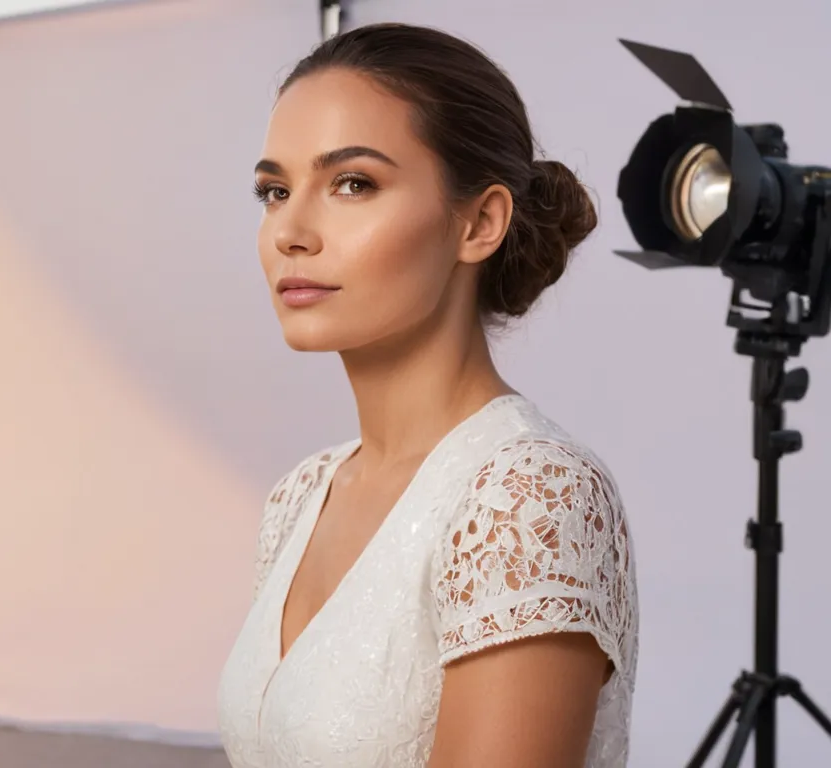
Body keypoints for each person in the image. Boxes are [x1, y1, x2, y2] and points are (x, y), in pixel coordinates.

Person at [215, 23, 638, 768]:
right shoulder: (301, 496)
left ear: (479, 222)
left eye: (353, 184)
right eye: (274, 191)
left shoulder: (528, 499)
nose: (290, 230)